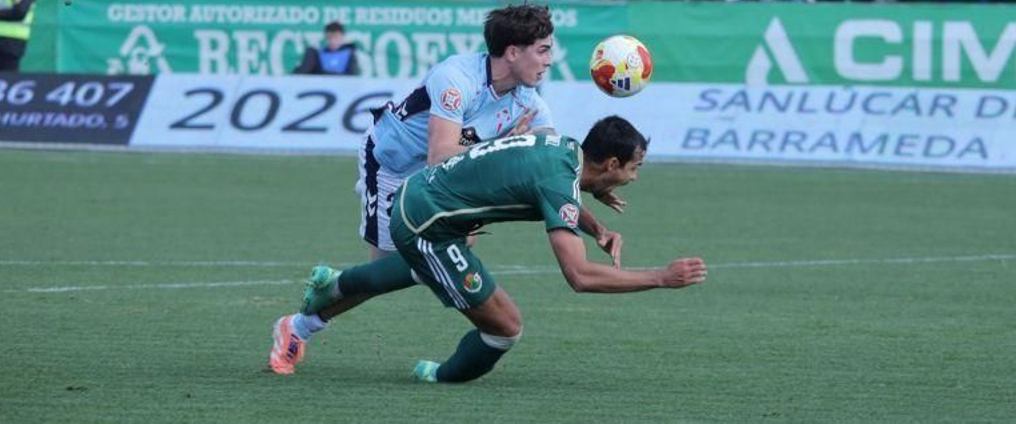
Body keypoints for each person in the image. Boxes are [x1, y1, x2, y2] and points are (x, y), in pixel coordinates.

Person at [267, 116, 706, 381]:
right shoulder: (559, 181)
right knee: (505, 329)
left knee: (424, 269)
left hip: (421, 195)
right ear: (610, 164)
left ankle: (319, 301)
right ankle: (436, 374)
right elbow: (580, 276)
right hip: (428, 224)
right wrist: (661, 277)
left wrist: (594, 225)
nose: (634, 178)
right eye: (634, 169)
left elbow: (556, 192)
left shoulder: (562, 148)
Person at [355, 5, 563, 258]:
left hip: (442, 171)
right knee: (387, 264)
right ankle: (332, 284)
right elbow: (440, 154)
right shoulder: (456, 78)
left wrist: (595, 179)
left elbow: (552, 149)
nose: (549, 60)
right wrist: (506, 148)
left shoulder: (527, 96)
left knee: (457, 246)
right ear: (512, 52)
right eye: (542, 51)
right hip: (392, 162)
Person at [293, 21, 360, 75]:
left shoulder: (350, 55)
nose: (332, 41)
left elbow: (351, 77)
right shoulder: (318, 55)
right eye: (329, 38)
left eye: (336, 37)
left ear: (342, 37)